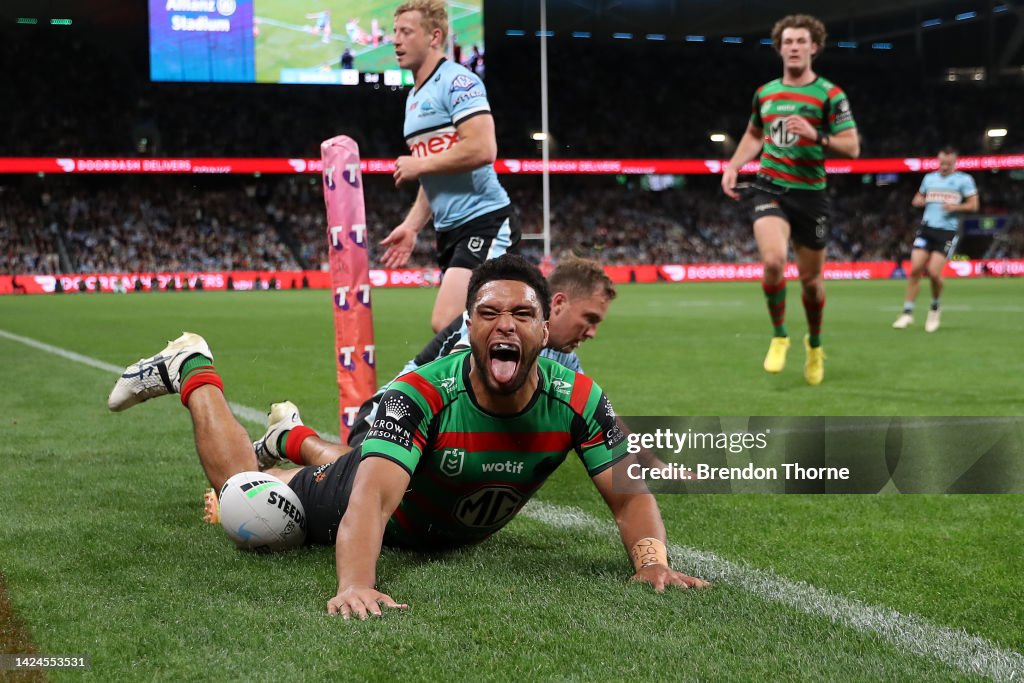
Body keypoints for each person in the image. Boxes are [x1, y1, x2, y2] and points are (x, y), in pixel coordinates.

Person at [107, 255, 707, 618]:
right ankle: (193, 369)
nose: (506, 326)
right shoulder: (419, 395)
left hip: (420, 509)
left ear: (543, 326)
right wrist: (357, 585)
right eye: (489, 313)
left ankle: (291, 438)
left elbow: (630, 491)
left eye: (522, 316)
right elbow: (368, 501)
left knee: (351, 467)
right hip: (348, 502)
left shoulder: (577, 397)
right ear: (467, 325)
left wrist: (651, 563)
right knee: (244, 504)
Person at [253, 256, 618, 468]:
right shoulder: (483, 330)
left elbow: (601, 421)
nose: (592, 332)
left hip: (442, 430)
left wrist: (652, 459)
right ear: (556, 304)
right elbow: (454, 391)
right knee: (367, 479)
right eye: (590, 318)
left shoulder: (562, 359)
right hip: (393, 413)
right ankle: (292, 439)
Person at [720, 14, 859, 385]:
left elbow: (852, 147)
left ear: (814, 47)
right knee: (773, 261)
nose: (794, 47)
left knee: (811, 283)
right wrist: (734, 165)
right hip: (770, 188)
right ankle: (779, 334)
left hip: (810, 196)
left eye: (801, 41)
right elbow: (754, 135)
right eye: (788, 42)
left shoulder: (830, 94)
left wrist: (817, 135)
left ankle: (814, 344)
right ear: (779, 48)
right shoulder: (765, 94)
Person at [383, 0, 518, 333]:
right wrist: (413, 226)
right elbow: (436, 172)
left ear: (434, 36)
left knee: (448, 322)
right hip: (450, 232)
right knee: (469, 327)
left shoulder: (458, 81)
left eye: (406, 32)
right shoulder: (413, 98)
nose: (396, 40)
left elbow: (483, 147)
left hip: (485, 221)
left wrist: (420, 164)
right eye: (395, 32)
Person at [892, 147, 979, 333]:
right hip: (927, 229)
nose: (945, 166)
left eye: (948, 163)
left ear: (955, 162)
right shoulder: (929, 178)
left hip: (946, 232)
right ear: (938, 161)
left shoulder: (964, 180)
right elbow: (919, 196)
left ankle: (934, 308)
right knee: (915, 269)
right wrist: (917, 201)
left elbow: (974, 205)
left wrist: (955, 207)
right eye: (942, 163)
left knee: (933, 272)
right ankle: (907, 313)